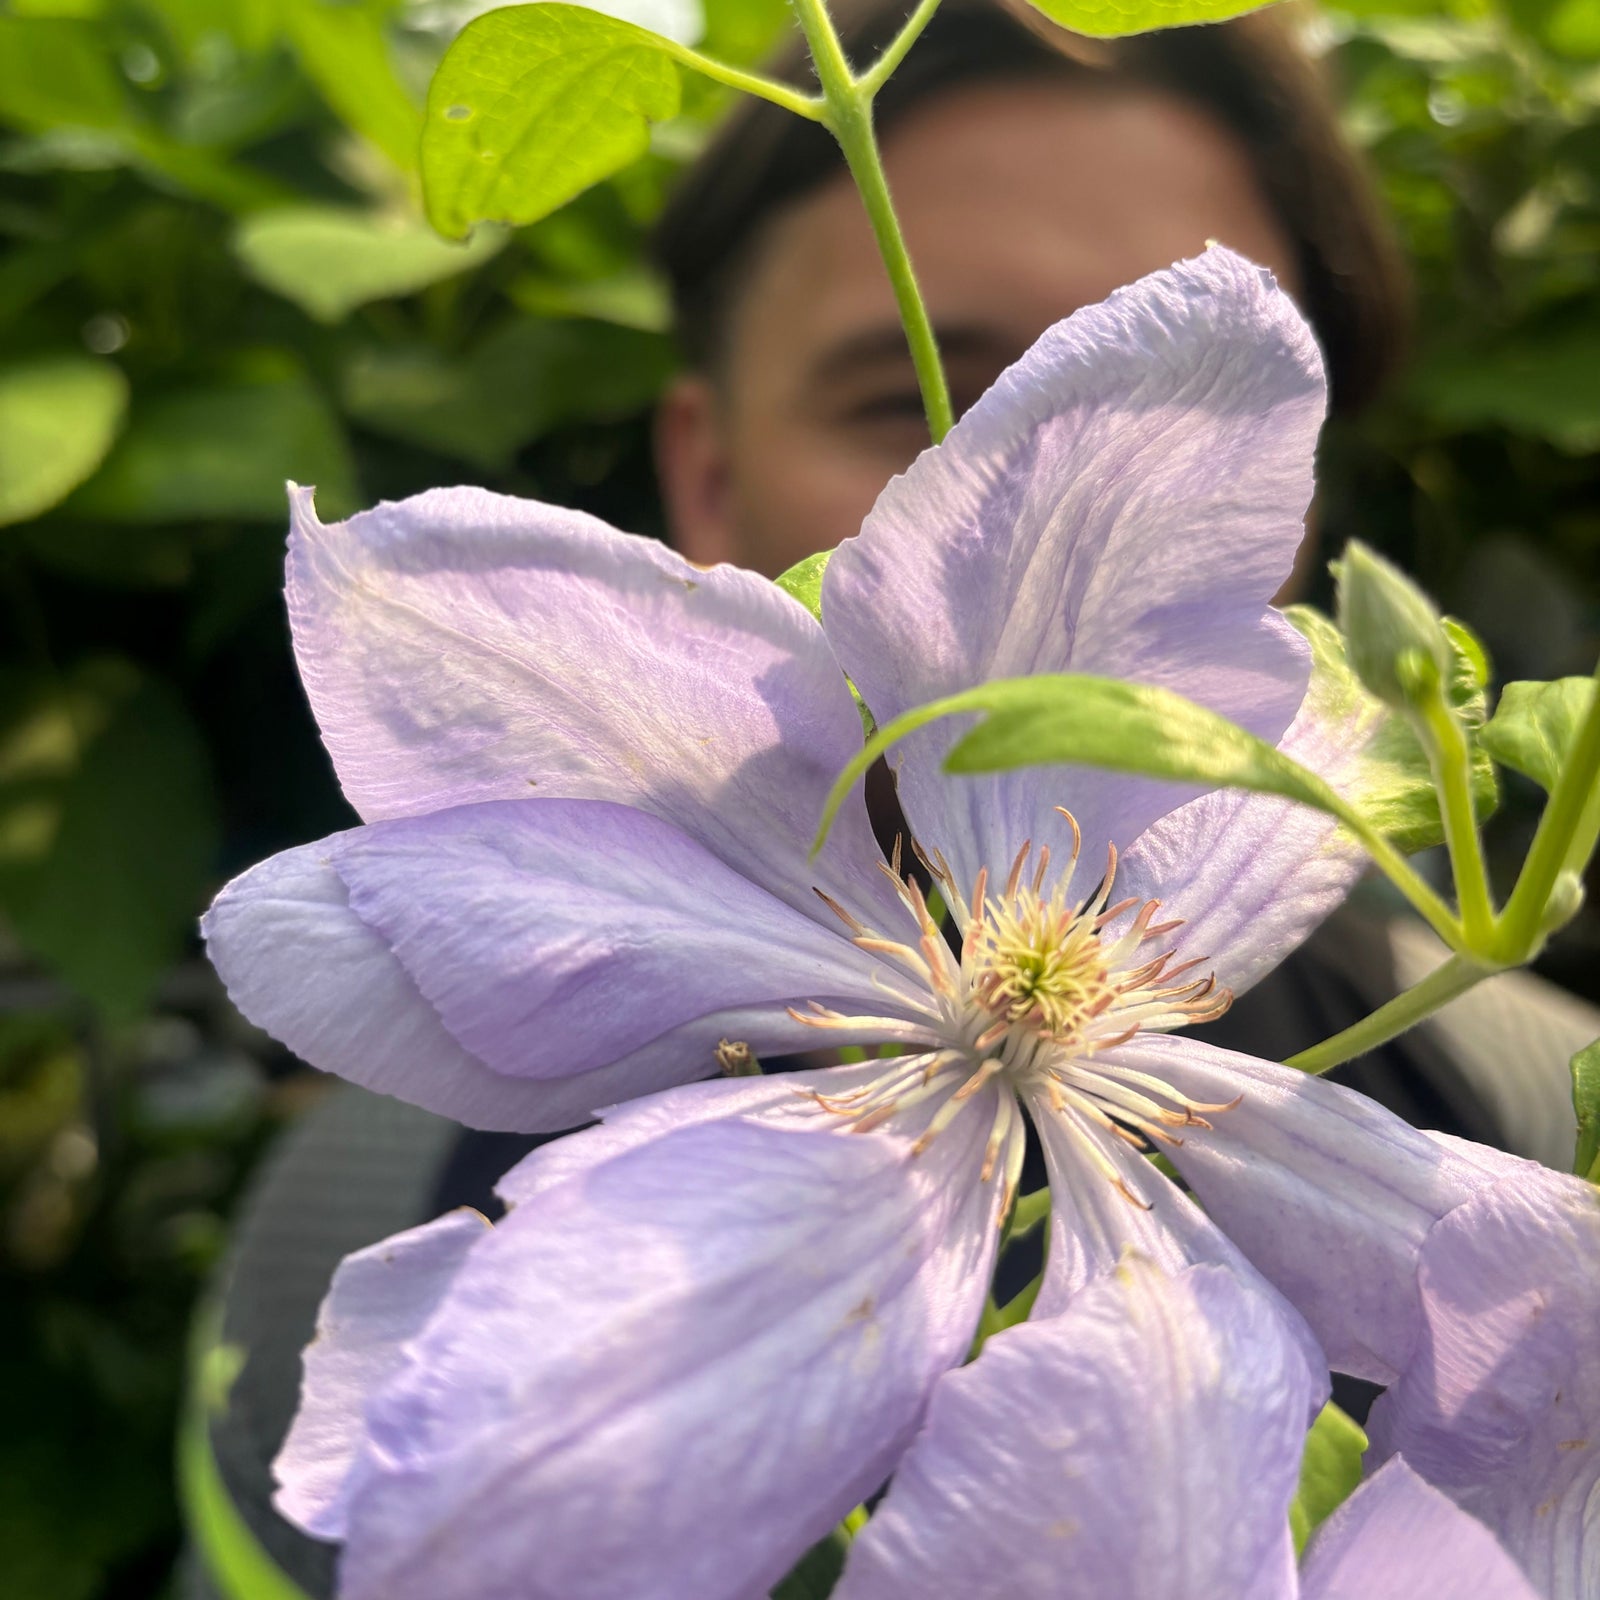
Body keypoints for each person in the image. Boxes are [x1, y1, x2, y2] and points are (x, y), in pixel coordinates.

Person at [180, 4, 1595, 1595]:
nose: (974, 475)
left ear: (1286, 522)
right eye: (899, 399)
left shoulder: (1526, 1102)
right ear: (700, 472)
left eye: (1083, 415)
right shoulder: (335, 1211)